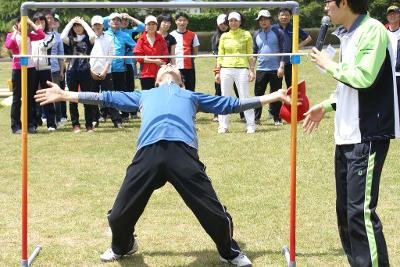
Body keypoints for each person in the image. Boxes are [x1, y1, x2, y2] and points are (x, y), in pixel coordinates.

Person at [35, 64, 289, 267]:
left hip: (183, 153)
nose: (168, 65)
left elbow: (230, 104)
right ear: (156, 81)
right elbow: (106, 97)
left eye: (173, 67)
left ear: (181, 81)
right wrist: (67, 94)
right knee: (118, 215)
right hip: (148, 153)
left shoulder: (191, 95)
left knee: (215, 215)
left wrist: (273, 96)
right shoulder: (144, 95)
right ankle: (122, 247)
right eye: (163, 68)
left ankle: (228, 251)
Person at [304, 0, 399, 266]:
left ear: (344, 2)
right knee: (346, 213)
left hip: (367, 135)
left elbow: (364, 77)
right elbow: (349, 88)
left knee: (360, 214)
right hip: (346, 136)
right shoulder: (348, 34)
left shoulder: (372, 30)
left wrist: (327, 63)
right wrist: (325, 106)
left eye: (327, 3)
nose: (325, 9)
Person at [215, 11, 256, 134]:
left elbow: (250, 54)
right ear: (228, 22)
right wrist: (217, 72)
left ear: (240, 21)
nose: (233, 23)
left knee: (245, 97)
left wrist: (252, 70)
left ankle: (251, 124)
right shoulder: (224, 36)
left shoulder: (246, 34)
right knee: (225, 97)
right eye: (231, 21)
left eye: (236, 20)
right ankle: (223, 125)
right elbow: (220, 56)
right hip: (226, 69)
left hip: (242, 69)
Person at [5, 17, 45, 134]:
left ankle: (30, 124)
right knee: (17, 98)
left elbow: (41, 35)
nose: (24, 26)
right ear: (16, 24)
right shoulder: (11, 35)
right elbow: (8, 45)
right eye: (22, 23)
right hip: (18, 69)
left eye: (25, 24)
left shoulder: (29, 36)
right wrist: (15, 32)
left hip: (30, 68)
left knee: (29, 98)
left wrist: (31, 23)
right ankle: (16, 126)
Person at [61, 16, 96, 133]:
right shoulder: (70, 39)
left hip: (85, 71)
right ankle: (75, 124)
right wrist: (71, 21)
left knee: (87, 99)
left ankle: (89, 125)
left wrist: (83, 22)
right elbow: (62, 36)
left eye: (79, 25)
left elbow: (93, 35)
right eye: (75, 26)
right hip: (72, 72)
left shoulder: (88, 39)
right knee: (72, 99)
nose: (77, 28)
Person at [253, 10, 286, 126]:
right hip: (261, 69)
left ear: (270, 20)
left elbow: (283, 51)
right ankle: (256, 119)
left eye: (265, 19)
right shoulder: (256, 34)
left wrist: (281, 66)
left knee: (276, 94)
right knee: (258, 95)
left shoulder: (278, 32)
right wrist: (251, 70)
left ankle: (277, 118)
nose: (263, 21)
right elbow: (254, 53)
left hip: (275, 69)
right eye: (261, 20)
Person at [89, 15, 122, 129]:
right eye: (95, 25)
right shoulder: (90, 39)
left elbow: (111, 55)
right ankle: (94, 119)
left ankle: (116, 120)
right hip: (91, 72)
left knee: (109, 97)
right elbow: (85, 55)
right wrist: (91, 70)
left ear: (103, 25)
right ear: (92, 27)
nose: (97, 26)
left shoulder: (108, 38)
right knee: (93, 97)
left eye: (99, 24)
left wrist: (104, 70)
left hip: (106, 72)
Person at [211, 13, 244, 122]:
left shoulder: (236, 34)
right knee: (219, 90)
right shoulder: (216, 37)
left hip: (237, 66)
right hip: (221, 66)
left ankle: (243, 113)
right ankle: (217, 114)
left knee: (239, 90)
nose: (223, 26)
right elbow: (217, 54)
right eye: (221, 24)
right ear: (217, 25)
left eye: (225, 23)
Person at [104, 12, 136, 122]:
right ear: (108, 22)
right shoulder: (103, 34)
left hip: (120, 68)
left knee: (121, 91)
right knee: (106, 91)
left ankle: (125, 114)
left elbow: (135, 47)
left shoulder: (125, 35)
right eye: (113, 20)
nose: (116, 22)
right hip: (106, 69)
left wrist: (127, 55)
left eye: (118, 20)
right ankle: (106, 113)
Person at [31, 11, 57, 131]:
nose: (39, 24)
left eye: (42, 21)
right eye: (36, 22)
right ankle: (34, 122)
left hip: (45, 69)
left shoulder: (51, 36)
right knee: (33, 96)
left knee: (47, 95)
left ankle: (51, 123)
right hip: (31, 69)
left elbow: (44, 46)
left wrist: (39, 32)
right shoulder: (29, 35)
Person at [276, 8, 312, 88]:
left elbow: (308, 38)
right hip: (277, 61)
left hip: (292, 60)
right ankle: (277, 100)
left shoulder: (294, 27)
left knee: (292, 86)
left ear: (291, 17)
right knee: (276, 86)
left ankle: (292, 100)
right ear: (278, 17)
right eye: (282, 15)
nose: (284, 17)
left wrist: (297, 47)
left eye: (287, 15)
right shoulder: (274, 28)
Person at [133, 15, 169, 90]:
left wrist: (148, 59)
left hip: (160, 73)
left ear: (157, 26)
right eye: (149, 24)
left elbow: (165, 56)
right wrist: (155, 61)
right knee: (148, 96)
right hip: (145, 74)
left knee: (160, 96)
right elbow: (138, 57)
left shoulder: (161, 39)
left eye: (153, 24)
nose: (151, 26)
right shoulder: (141, 39)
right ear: (145, 26)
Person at [44, 10, 66, 125]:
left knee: (56, 94)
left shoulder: (58, 36)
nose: (49, 20)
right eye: (46, 18)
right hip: (41, 69)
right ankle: (45, 117)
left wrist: (62, 71)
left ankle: (58, 117)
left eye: (50, 18)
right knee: (43, 94)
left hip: (55, 69)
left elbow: (61, 55)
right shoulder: (40, 34)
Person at [170, 12, 200, 91]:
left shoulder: (193, 35)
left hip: (189, 68)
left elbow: (195, 51)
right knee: (176, 89)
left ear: (187, 21)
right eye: (180, 20)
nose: (182, 22)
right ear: (176, 21)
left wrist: (190, 60)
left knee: (190, 89)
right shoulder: (171, 35)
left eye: (184, 20)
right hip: (176, 67)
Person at [385, 5, 400, 91]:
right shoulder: (383, 33)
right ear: (387, 17)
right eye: (390, 14)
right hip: (387, 75)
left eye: (395, 13)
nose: (392, 16)